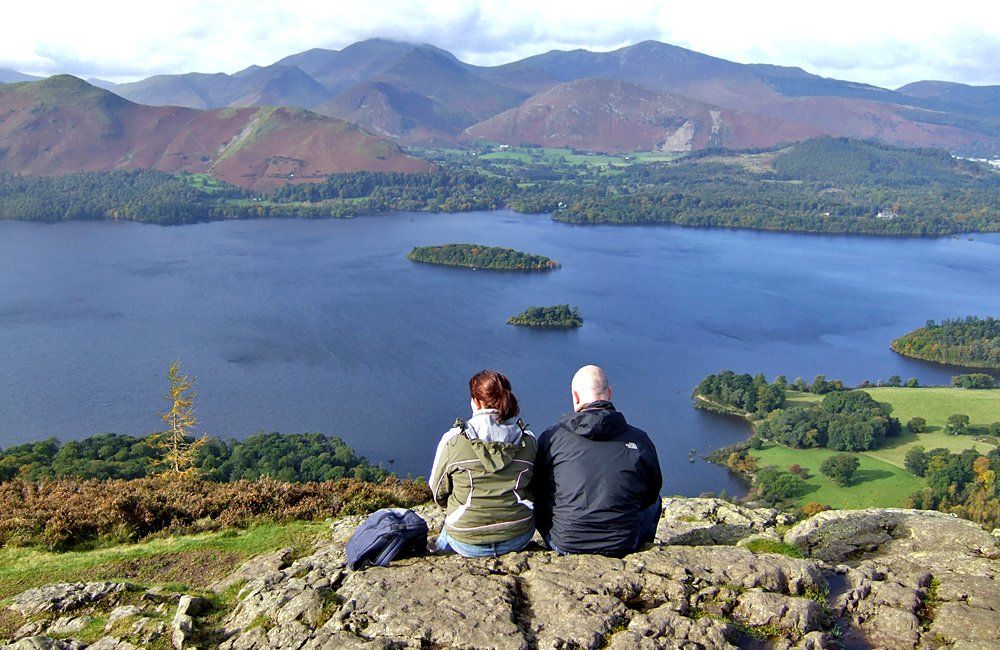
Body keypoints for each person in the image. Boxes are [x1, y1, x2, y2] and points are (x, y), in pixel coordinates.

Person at [535, 365, 662, 556]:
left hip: (564, 542)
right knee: (656, 503)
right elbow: (651, 492)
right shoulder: (639, 439)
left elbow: (537, 488)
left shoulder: (552, 438)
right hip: (620, 545)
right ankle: (641, 548)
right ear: (609, 393)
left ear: (576, 397)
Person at [429, 369, 537, 557]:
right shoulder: (528, 441)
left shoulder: (454, 440)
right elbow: (537, 486)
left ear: (476, 402)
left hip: (466, 540)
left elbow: (437, 490)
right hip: (517, 536)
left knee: (440, 542)